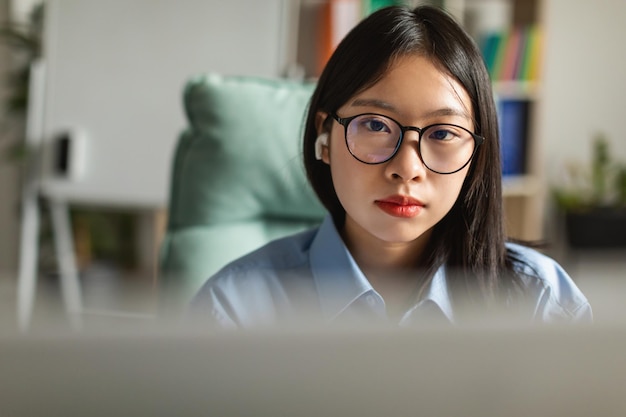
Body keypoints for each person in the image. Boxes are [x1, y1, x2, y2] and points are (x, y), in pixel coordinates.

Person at [190, 5, 591, 328]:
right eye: (376, 125)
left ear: (477, 155)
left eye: (442, 133)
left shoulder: (544, 301)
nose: (407, 168)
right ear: (325, 136)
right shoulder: (236, 308)